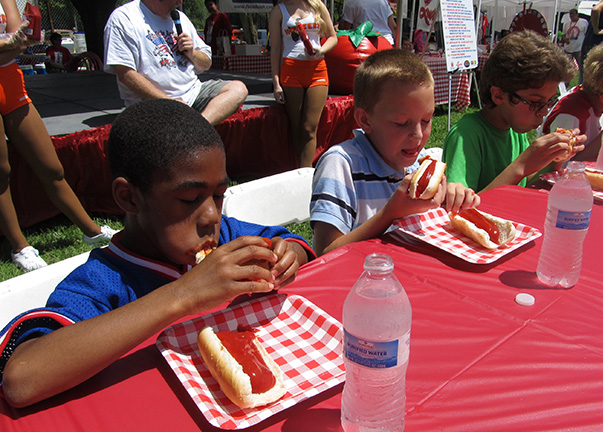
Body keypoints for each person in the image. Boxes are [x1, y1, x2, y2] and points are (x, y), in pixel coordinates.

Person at [0, 98, 315, 407]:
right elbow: (21, 380)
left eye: (218, 195)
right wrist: (183, 295)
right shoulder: (103, 281)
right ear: (129, 198)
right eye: (190, 198)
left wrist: (287, 257)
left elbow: (286, 242)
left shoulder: (225, 236)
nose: (211, 216)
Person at [310, 49, 480, 256]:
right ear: (365, 120)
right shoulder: (341, 165)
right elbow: (325, 253)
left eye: (426, 120)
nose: (418, 135)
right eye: (401, 123)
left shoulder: (417, 162)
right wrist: (389, 214)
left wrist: (453, 196)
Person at [0, 0, 115, 272]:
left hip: (11, 82)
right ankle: (20, 246)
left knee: (51, 166)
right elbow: (13, 41)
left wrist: (10, 44)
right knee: (1, 171)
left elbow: (21, 40)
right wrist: (8, 43)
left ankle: (92, 231)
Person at [442, 30, 582, 193]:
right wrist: (521, 165)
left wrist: (555, 160)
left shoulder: (515, 127)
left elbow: (526, 182)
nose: (544, 112)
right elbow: (460, 209)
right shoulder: (467, 134)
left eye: (549, 101)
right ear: (499, 95)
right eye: (536, 102)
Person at [104, 0, 248, 126]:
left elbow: (206, 63)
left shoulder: (181, 18)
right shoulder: (124, 18)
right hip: (153, 105)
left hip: (193, 94)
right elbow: (125, 74)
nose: (181, 2)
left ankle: (197, 127)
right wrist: (170, 103)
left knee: (238, 89)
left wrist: (192, 53)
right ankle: (195, 127)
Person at [269, 0, 337, 168]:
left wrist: (321, 50)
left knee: (309, 127)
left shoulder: (317, 5)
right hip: (291, 69)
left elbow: (332, 37)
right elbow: (275, 49)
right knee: (297, 126)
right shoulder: (279, 11)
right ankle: (298, 169)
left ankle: (306, 174)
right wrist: (276, 82)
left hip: (318, 69)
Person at [561, 9, 588, 78]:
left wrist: (584, 48)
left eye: (573, 16)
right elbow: (563, 34)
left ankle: (583, 79)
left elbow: (586, 35)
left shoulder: (583, 22)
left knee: (582, 65)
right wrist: (565, 39)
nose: (572, 18)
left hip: (578, 48)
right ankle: (566, 79)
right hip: (568, 48)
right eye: (571, 16)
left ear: (577, 15)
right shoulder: (566, 24)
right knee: (566, 66)